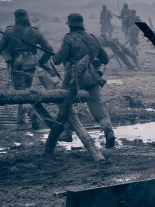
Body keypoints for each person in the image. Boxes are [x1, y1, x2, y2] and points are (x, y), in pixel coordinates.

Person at [52, 13, 116, 148]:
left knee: (65, 104)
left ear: (70, 25)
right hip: (93, 77)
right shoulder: (92, 38)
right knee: (98, 107)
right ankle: (108, 131)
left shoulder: (69, 39)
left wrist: (55, 57)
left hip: (74, 78)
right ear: (82, 25)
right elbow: (105, 59)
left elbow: (57, 60)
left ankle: (67, 132)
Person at [0, 9, 55, 128]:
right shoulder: (35, 32)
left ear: (16, 18)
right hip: (31, 62)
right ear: (26, 17)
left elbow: (1, 47)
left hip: (17, 63)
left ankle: (30, 113)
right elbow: (49, 49)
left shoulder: (9, 30)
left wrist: (8, 58)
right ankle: (21, 118)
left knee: (20, 91)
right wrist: (42, 61)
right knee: (26, 89)